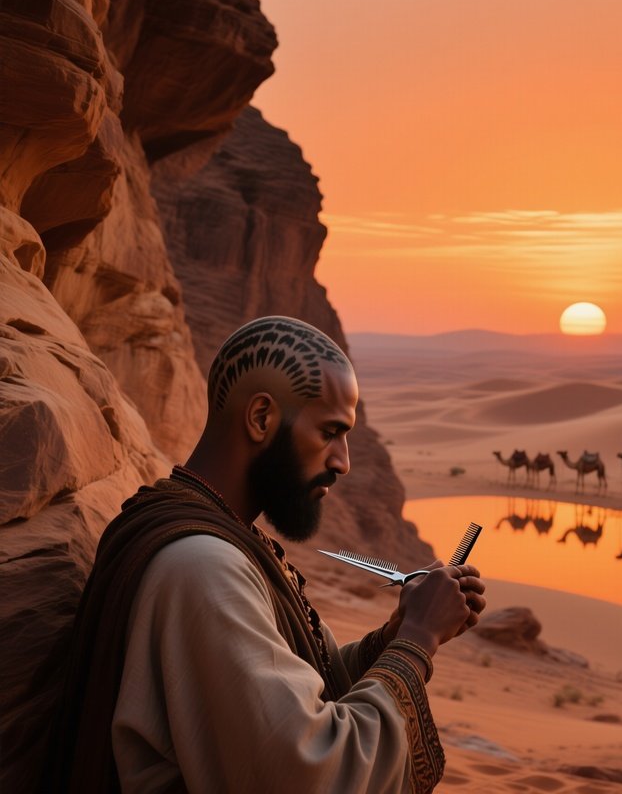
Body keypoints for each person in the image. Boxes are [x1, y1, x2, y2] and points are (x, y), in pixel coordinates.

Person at [48, 316, 486, 793]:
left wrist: (395, 633)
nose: (343, 461)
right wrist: (418, 640)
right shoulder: (202, 567)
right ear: (261, 419)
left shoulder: (218, 536)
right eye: (330, 432)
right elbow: (310, 773)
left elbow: (301, 690)